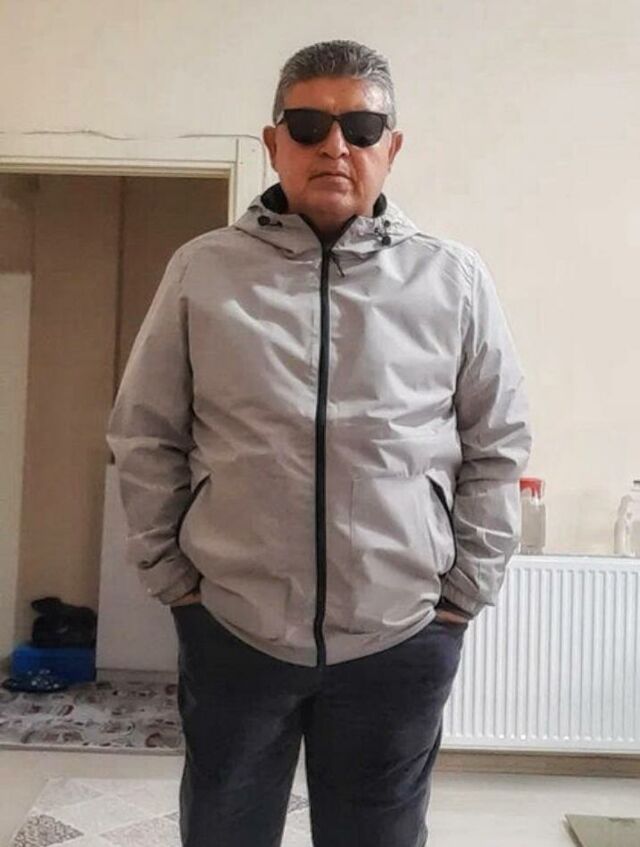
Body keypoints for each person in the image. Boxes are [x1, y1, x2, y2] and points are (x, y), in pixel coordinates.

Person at [106, 39, 531, 847]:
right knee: (225, 830)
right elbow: (146, 431)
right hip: (234, 628)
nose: (335, 145)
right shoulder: (202, 271)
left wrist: (463, 593)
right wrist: (176, 582)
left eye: (361, 127)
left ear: (391, 147)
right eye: (308, 125)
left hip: (401, 634)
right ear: (274, 143)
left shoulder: (454, 279)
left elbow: (497, 443)